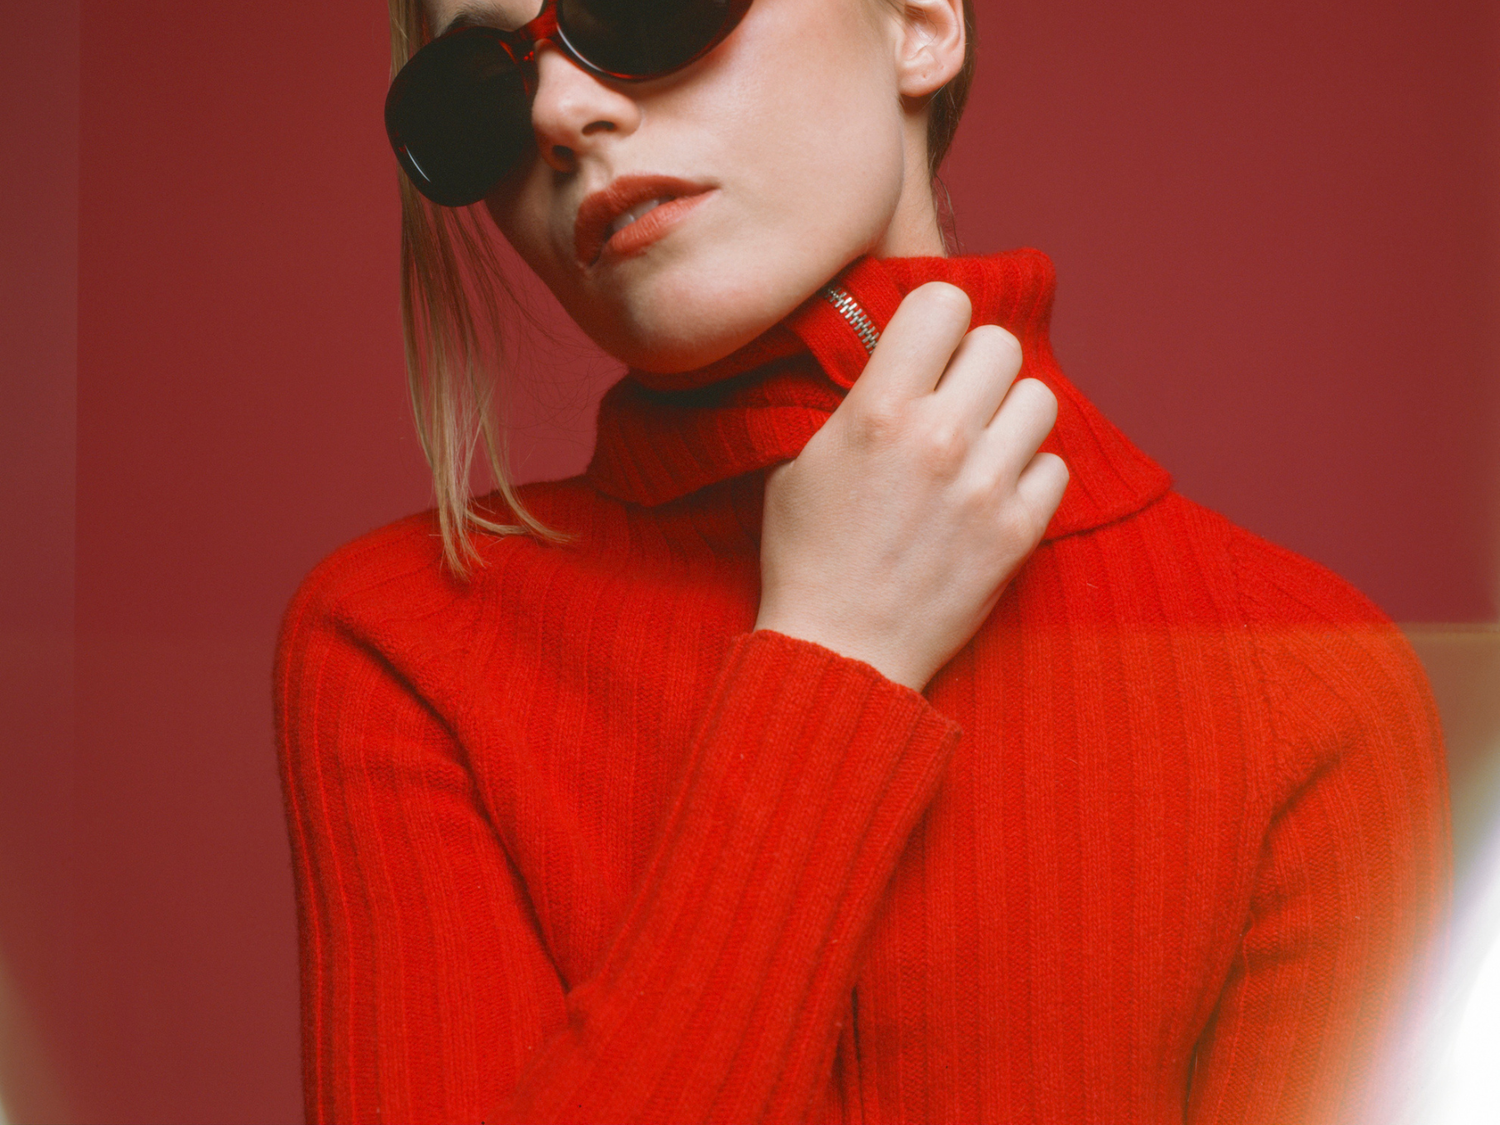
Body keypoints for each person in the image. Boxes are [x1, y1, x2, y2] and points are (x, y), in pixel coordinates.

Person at [274, 0, 1451, 1121]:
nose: (560, 113)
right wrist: (833, 658)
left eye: (641, 7)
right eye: (477, 90)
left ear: (922, 22)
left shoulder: (1300, 686)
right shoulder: (403, 646)